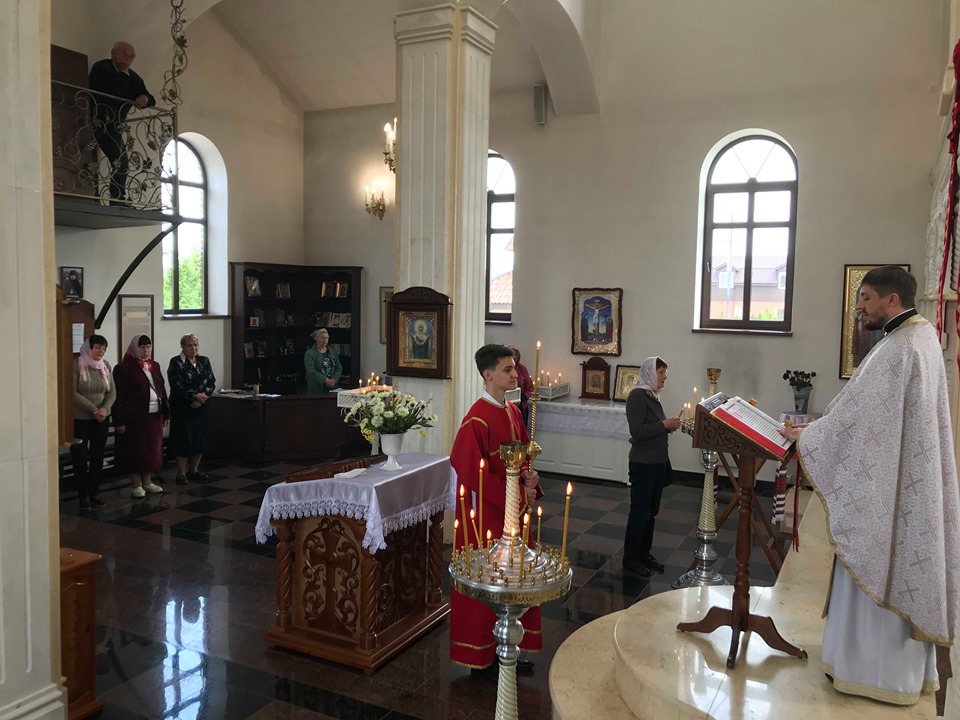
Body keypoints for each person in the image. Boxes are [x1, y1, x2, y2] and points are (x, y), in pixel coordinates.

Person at [779, 266, 959, 705]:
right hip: (905, 478)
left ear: (892, 300)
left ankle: (870, 674)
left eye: (866, 298)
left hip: (886, 489)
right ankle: (896, 676)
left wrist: (809, 436)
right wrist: (819, 431)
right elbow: (863, 416)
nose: (860, 307)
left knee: (876, 558)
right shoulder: (924, 338)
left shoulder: (898, 349)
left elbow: (855, 417)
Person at [449, 344, 543, 673]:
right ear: (488, 375)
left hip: (514, 511)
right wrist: (517, 494)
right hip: (488, 517)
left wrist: (530, 478)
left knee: (516, 576)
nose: (516, 374)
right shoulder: (476, 419)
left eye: (514, 368)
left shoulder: (513, 411)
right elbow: (470, 472)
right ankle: (482, 655)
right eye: (508, 369)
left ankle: (511, 645)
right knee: (492, 578)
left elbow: (524, 455)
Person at [622, 356, 681, 577]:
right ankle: (631, 558)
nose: (665, 377)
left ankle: (644, 553)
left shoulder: (652, 395)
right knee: (640, 512)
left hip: (657, 462)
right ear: (649, 372)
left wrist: (666, 427)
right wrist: (664, 425)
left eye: (664, 372)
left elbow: (653, 427)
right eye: (661, 372)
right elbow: (637, 431)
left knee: (651, 512)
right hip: (643, 464)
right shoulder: (637, 396)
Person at [88, 41, 155, 203]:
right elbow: (114, 91)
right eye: (125, 54)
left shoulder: (133, 77)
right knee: (119, 160)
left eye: (132, 56)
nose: (129, 58)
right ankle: (116, 198)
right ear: (114, 54)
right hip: (99, 120)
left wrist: (143, 98)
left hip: (114, 125)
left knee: (121, 161)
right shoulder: (101, 68)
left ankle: (117, 198)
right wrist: (124, 75)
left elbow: (150, 98)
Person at [112, 335, 168, 497]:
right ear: (135, 349)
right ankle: (136, 484)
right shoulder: (123, 368)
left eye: (149, 347)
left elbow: (161, 389)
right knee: (137, 451)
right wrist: (119, 420)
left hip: (154, 415)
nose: (146, 350)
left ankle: (148, 481)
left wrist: (165, 413)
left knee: (152, 450)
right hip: (135, 417)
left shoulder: (154, 365)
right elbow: (119, 396)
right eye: (142, 347)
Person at [71, 334, 116, 509]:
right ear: (89, 348)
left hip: (102, 418)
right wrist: (93, 409)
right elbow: (72, 393)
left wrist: (105, 409)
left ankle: (95, 491)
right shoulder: (76, 365)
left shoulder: (105, 365)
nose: (101, 351)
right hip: (81, 418)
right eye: (97, 347)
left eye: (104, 348)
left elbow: (112, 392)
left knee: (98, 456)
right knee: (80, 456)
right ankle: (83, 494)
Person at [167, 334, 216, 486]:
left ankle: (193, 470)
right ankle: (181, 473)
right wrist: (194, 396)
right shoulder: (176, 362)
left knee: (200, 438)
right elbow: (176, 385)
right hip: (183, 408)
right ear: (183, 347)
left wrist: (202, 398)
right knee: (183, 440)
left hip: (200, 407)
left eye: (195, 345)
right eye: (190, 345)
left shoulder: (204, 360)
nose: (193, 348)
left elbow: (211, 381)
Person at [304, 328, 342, 393]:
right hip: (316, 387)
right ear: (317, 339)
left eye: (326, 338)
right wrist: (325, 380)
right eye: (322, 338)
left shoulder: (333, 352)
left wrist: (334, 380)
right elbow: (311, 371)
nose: (325, 340)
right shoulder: (309, 353)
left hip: (332, 387)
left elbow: (338, 367)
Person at [509, 345, 534, 429]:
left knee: (521, 430)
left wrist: (524, 396)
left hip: (521, 406)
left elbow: (530, 388)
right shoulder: (502, 369)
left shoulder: (522, 369)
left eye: (515, 359)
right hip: (506, 405)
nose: (514, 361)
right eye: (512, 359)